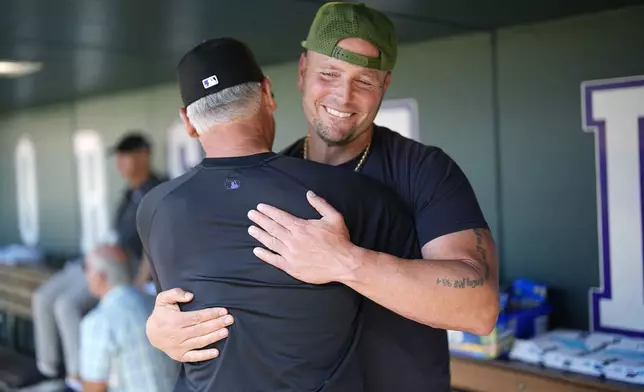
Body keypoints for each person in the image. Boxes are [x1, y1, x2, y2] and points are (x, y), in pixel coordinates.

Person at [145, 3, 500, 391]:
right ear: (301, 73)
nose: (343, 96)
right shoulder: (275, 180)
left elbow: (480, 309)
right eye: (328, 74)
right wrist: (162, 329)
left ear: (384, 85)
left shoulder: (423, 170)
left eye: (364, 81)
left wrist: (347, 262)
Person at [136, 37, 420, 391]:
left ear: (188, 123)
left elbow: (175, 311)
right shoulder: (349, 194)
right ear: (268, 94)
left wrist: (154, 329)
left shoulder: (155, 208)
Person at [29, 132, 162, 390]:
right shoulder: (128, 194)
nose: (121, 162)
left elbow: (154, 243)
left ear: (144, 154)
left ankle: (76, 377)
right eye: (119, 157)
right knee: (42, 297)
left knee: (65, 305)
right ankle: (47, 369)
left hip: (120, 269)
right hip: (99, 260)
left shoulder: (157, 190)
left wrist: (138, 281)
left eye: (127, 156)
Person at [80, 244, 178, 392]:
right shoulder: (155, 304)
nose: (85, 276)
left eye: (87, 269)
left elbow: (94, 387)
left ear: (100, 276)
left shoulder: (98, 321)